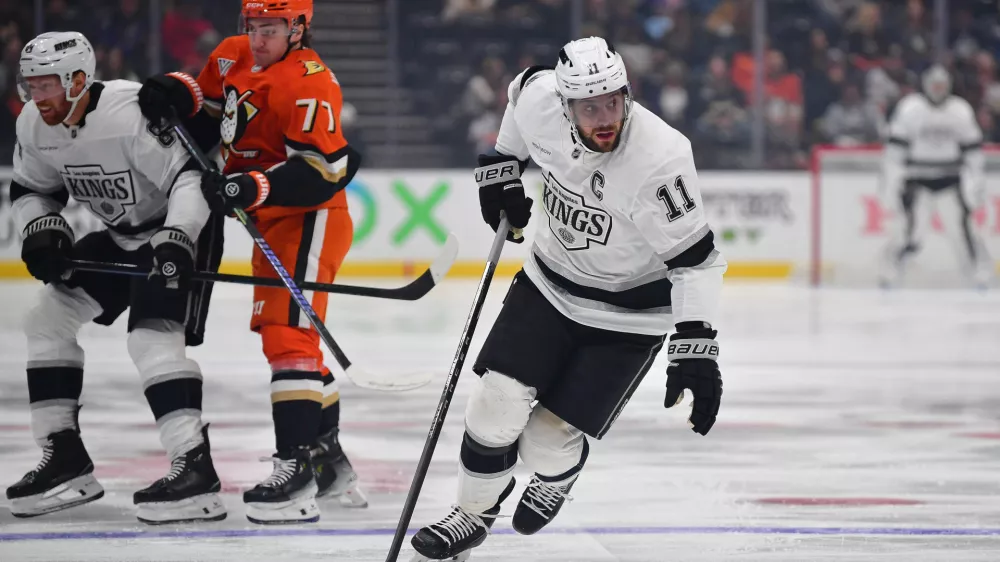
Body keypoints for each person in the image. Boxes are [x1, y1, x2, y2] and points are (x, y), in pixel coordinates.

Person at [410, 36, 727, 561]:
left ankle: (559, 474)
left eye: (613, 102)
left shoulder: (660, 159)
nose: (605, 118)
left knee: (544, 442)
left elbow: (696, 260)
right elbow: (519, 93)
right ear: (564, 105)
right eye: (588, 107)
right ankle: (471, 514)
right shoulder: (540, 100)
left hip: (628, 317)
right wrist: (500, 167)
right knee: (494, 405)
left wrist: (696, 347)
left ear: (627, 94)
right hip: (549, 284)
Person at [135, 0, 365, 524]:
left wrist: (249, 184)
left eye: (272, 28)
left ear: (299, 27)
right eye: (254, 26)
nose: (258, 37)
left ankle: (297, 468)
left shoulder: (311, 81)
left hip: (311, 217)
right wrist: (175, 88)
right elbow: (211, 107)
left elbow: (324, 171)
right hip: (269, 219)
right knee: (284, 336)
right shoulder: (232, 54)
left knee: (288, 337)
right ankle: (330, 466)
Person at [5, 31, 226, 524]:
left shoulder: (128, 114)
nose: (35, 98)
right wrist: (43, 227)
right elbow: (30, 188)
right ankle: (65, 458)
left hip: (181, 229)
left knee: (151, 340)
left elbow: (190, 178)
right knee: (46, 321)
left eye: (46, 86)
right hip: (122, 234)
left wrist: (177, 237)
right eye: (30, 86)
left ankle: (196, 468)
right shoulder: (33, 125)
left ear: (79, 80)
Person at [880, 64, 993, 289]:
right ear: (926, 85)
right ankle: (890, 272)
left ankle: (979, 273)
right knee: (910, 232)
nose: (938, 89)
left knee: (964, 230)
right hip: (916, 177)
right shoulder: (910, 108)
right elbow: (895, 150)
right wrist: (891, 177)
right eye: (935, 85)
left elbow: (972, 149)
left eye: (942, 85)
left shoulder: (960, 110)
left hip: (951, 177)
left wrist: (977, 178)